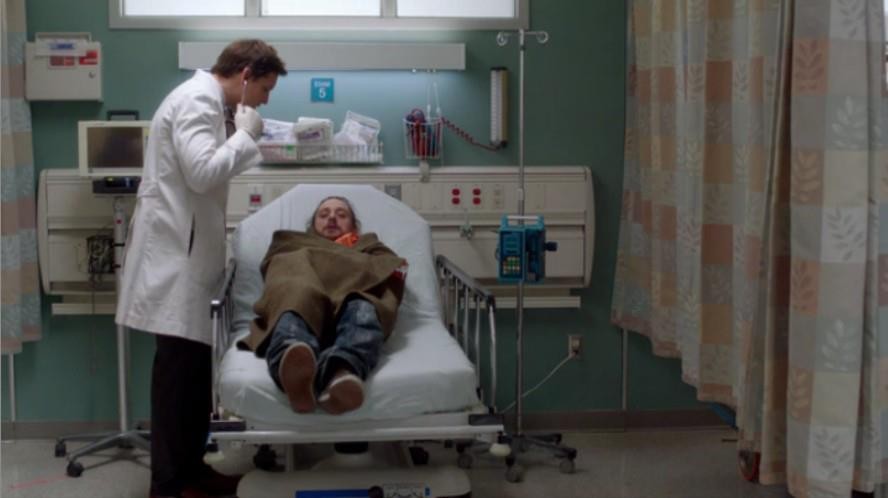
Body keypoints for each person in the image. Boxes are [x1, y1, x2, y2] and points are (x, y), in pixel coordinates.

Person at [114, 39, 286, 498]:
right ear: (246, 75)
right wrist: (245, 136)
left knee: (192, 374)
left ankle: (192, 470)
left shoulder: (209, 104)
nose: (265, 100)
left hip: (187, 257)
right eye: (265, 89)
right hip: (174, 262)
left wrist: (238, 133)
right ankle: (169, 485)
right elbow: (202, 173)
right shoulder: (196, 102)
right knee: (176, 376)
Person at [238, 196, 408, 415]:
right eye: (324, 214)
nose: (332, 218)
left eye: (341, 214)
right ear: (312, 225)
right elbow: (278, 270)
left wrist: (348, 257)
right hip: (305, 302)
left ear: (354, 226)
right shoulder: (292, 242)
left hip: (350, 305)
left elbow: (391, 268)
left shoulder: (370, 246)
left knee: (363, 306)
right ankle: (293, 361)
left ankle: (340, 373)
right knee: (294, 290)